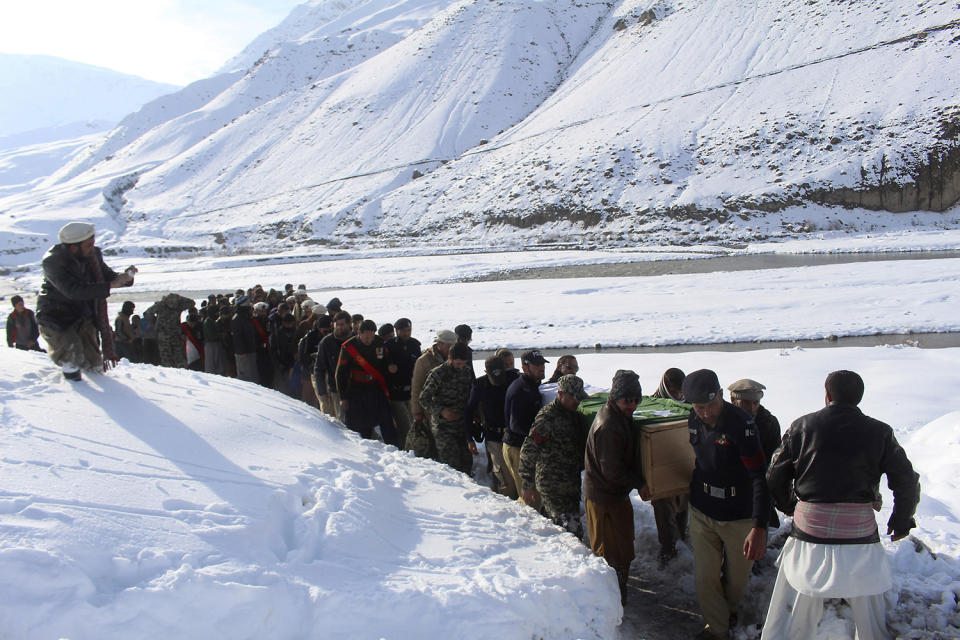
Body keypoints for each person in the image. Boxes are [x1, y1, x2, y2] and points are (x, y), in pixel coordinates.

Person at [761, 370, 920, 640]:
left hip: (809, 531)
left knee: (797, 596)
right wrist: (901, 520)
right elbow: (907, 480)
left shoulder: (802, 426)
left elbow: (774, 474)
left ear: (827, 395)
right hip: (859, 533)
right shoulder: (879, 431)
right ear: (860, 397)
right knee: (868, 605)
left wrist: (789, 506)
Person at [682, 369, 770, 640]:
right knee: (705, 576)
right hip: (703, 509)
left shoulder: (740, 425)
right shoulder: (693, 419)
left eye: (711, 405)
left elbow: (759, 475)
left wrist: (760, 526)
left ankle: (729, 610)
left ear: (721, 395)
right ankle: (718, 630)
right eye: (699, 407)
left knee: (737, 580)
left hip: (738, 514)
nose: (706, 413)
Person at [35, 222, 136, 380]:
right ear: (74, 247)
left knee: (94, 361)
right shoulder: (53, 262)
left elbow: (107, 276)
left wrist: (126, 278)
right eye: (89, 245)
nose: (92, 248)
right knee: (72, 359)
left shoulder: (92, 255)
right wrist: (110, 285)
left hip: (82, 314)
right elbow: (73, 291)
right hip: (56, 317)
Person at [583, 370, 646, 604]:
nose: (631, 406)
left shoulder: (619, 416)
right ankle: (612, 602)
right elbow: (612, 472)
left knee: (620, 548)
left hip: (611, 495)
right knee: (610, 553)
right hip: (604, 498)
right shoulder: (610, 426)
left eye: (635, 401)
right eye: (626, 400)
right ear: (615, 398)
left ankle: (617, 596)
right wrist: (640, 483)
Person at [519, 374, 590, 537]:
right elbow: (529, 449)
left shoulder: (573, 413)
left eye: (579, 398)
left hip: (570, 482)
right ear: (560, 394)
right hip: (552, 483)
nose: (577, 402)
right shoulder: (547, 418)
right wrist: (527, 483)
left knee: (558, 525)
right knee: (571, 532)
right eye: (573, 398)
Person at [728, 378, 782, 529]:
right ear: (733, 400)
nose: (752, 408)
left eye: (755, 403)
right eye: (746, 403)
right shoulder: (722, 422)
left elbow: (774, 461)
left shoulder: (769, 423)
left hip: (758, 487)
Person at [335, 319, 399, 445]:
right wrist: (343, 397)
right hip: (356, 390)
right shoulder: (349, 347)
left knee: (386, 421)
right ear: (359, 333)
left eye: (371, 337)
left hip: (375, 388)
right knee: (360, 426)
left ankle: (395, 448)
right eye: (366, 337)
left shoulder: (379, 342)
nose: (369, 340)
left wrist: (391, 365)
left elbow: (386, 359)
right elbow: (340, 373)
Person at [418, 342, 477, 474]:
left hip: (462, 425)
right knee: (452, 465)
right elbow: (424, 399)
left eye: (463, 364)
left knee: (467, 462)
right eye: (457, 364)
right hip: (443, 427)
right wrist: (441, 411)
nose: (460, 367)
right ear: (450, 357)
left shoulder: (466, 372)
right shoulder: (437, 374)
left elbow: (471, 395)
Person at [650, 367, 689, 566]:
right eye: (674, 392)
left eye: (680, 392)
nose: (678, 396)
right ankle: (668, 549)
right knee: (664, 513)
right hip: (661, 469)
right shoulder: (652, 404)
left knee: (683, 508)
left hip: (682, 467)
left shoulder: (689, 404)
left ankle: (682, 538)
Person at [464, 356, 516, 498]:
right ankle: (502, 500)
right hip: (493, 435)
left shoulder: (514, 379)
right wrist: (469, 439)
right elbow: (469, 410)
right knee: (504, 478)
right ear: (487, 372)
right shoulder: (480, 384)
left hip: (513, 435)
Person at [502, 349, 548, 505]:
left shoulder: (533, 384)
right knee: (530, 498)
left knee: (536, 494)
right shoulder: (520, 390)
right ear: (525, 367)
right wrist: (541, 436)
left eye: (542, 364)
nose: (541, 368)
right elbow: (516, 426)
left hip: (526, 447)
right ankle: (526, 527)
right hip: (517, 448)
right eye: (537, 365)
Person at [408, 329, 458, 457]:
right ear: (440, 344)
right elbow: (417, 388)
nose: (452, 349)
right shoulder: (424, 361)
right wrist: (417, 412)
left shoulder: (455, 358)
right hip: (431, 410)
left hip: (452, 409)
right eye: (449, 346)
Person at [385, 317, 421, 448]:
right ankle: (408, 452)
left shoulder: (415, 345)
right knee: (405, 426)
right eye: (404, 331)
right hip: (397, 393)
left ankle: (415, 450)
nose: (407, 333)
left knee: (415, 425)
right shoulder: (390, 346)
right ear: (397, 331)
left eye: (409, 330)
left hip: (411, 392)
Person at [315, 310, 352, 418]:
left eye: (342, 324)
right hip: (337, 389)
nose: (340, 327)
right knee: (344, 420)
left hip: (357, 386)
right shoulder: (326, 342)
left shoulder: (356, 339)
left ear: (349, 324)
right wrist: (322, 391)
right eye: (337, 324)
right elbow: (319, 368)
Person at [144, 293, 196, 368]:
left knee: (167, 357)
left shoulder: (161, 305)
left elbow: (147, 313)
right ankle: (181, 372)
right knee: (177, 356)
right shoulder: (178, 306)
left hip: (165, 335)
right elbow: (192, 303)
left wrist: (156, 322)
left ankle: (171, 372)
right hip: (174, 334)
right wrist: (180, 298)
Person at [231, 296, 259, 383]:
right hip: (243, 353)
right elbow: (237, 337)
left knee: (253, 373)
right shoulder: (237, 318)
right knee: (245, 375)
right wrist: (241, 351)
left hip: (250, 349)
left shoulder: (247, 317)